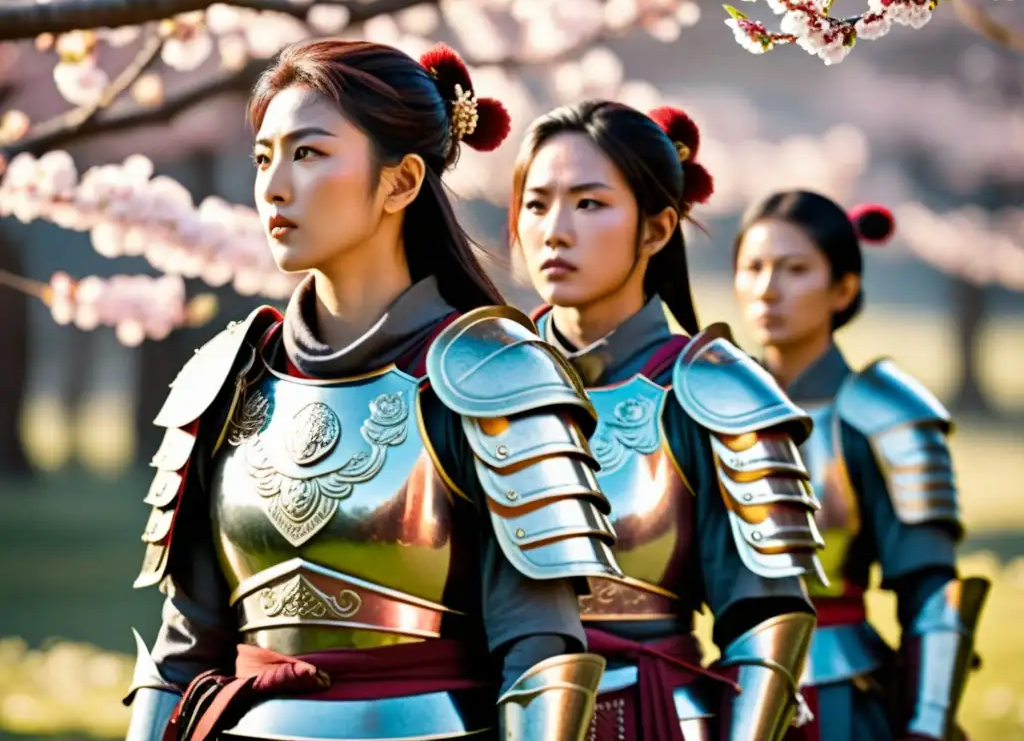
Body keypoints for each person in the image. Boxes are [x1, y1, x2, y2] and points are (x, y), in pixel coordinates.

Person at [123, 39, 625, 741]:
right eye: (264, 156)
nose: (272, 186)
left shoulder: (493, 376)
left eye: (308, 153)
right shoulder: (227, 376)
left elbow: (539, 657)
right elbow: (182, 651)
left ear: (400, 182)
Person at [510, 99, 825, 741]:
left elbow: (766, 623)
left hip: (655, 717)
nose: (554, 230)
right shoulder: (476, 381)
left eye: (589, 204)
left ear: (656, 230)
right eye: (537, 203)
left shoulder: (714, 392)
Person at [731, 190, 990, 741]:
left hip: (843, 695)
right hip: (726, 686)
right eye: (752, 267)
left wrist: (927, 724)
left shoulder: (884, 415)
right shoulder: (713, 408)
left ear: (843, 288)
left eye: (794, 269)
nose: (766, 289)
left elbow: (932, 592)